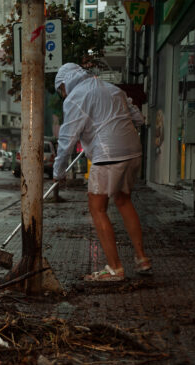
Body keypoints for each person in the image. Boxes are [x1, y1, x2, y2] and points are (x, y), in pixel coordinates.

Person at [53, 63, 151, 282]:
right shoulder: (113, 88)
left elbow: (68, 138)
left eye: (61, 89)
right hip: (133, 151)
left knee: (97, 208)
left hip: (108, 155)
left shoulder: (75, 97)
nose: (63, 94)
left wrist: (58, 171)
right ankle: (142, 258)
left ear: (65, 83)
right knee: (124, 200)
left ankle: (115, 268)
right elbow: (139, 119)